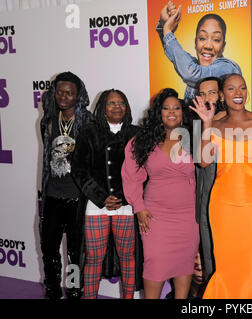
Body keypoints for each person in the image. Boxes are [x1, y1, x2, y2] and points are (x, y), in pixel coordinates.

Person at [190, 73, 252, 299]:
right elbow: (203, 160)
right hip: (222, 207)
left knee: (251, 271)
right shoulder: (216, 124)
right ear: (222, 94)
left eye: (242, 88)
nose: (238, 93)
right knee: (225, 269)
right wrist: (207, 124)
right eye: (231, 88)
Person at [122, 88, 198, 299]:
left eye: (176, 108)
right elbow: (131, 176)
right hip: (155, 216)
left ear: (183, 112)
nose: (172, 112)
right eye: (166, 108)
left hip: (189, 216)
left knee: (184, 267)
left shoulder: (194, 138)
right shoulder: (143, 142)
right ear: (159, 113)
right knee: (154, 266)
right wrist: (139, 208)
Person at [71, 89, 142, 299]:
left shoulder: (136, 134)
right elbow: (79, 170)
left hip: (126, 205)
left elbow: (142, 170)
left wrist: (121, 196)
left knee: (127, 257)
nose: (117, 107)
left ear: (127, 107)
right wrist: (102, 197)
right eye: (111, 103)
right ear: (102, 108)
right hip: (96, 207)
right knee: (93, 258)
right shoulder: (87, 132)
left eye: (121, 103)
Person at [39, 71, 94, 299]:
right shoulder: (48, 120)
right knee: (48, 248)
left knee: (75, 252)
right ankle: (52, 291)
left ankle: (73, 291)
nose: (64, 96)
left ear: (77, 95)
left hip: (78, 197)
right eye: (60, 91)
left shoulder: (88, 121)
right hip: (52, 194)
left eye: (69, 93)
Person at [157, 1, 241, 101]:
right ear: (195, 43)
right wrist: (164, 26)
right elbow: (178, 57)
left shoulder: (228, 68)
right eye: (202, 38)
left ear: (223, 46)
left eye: (216, 40)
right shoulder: (196, 66)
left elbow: (190, 73)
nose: (208, 45)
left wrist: (167, 31)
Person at [191, 76, 225, 298]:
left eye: (211, 92)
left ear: (222, 95)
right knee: (210, 264)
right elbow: (200, 167)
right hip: (204, 207)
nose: (206, 98)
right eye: (202, 94)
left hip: (227, 205)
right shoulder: (197, 124)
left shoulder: (233, 123)